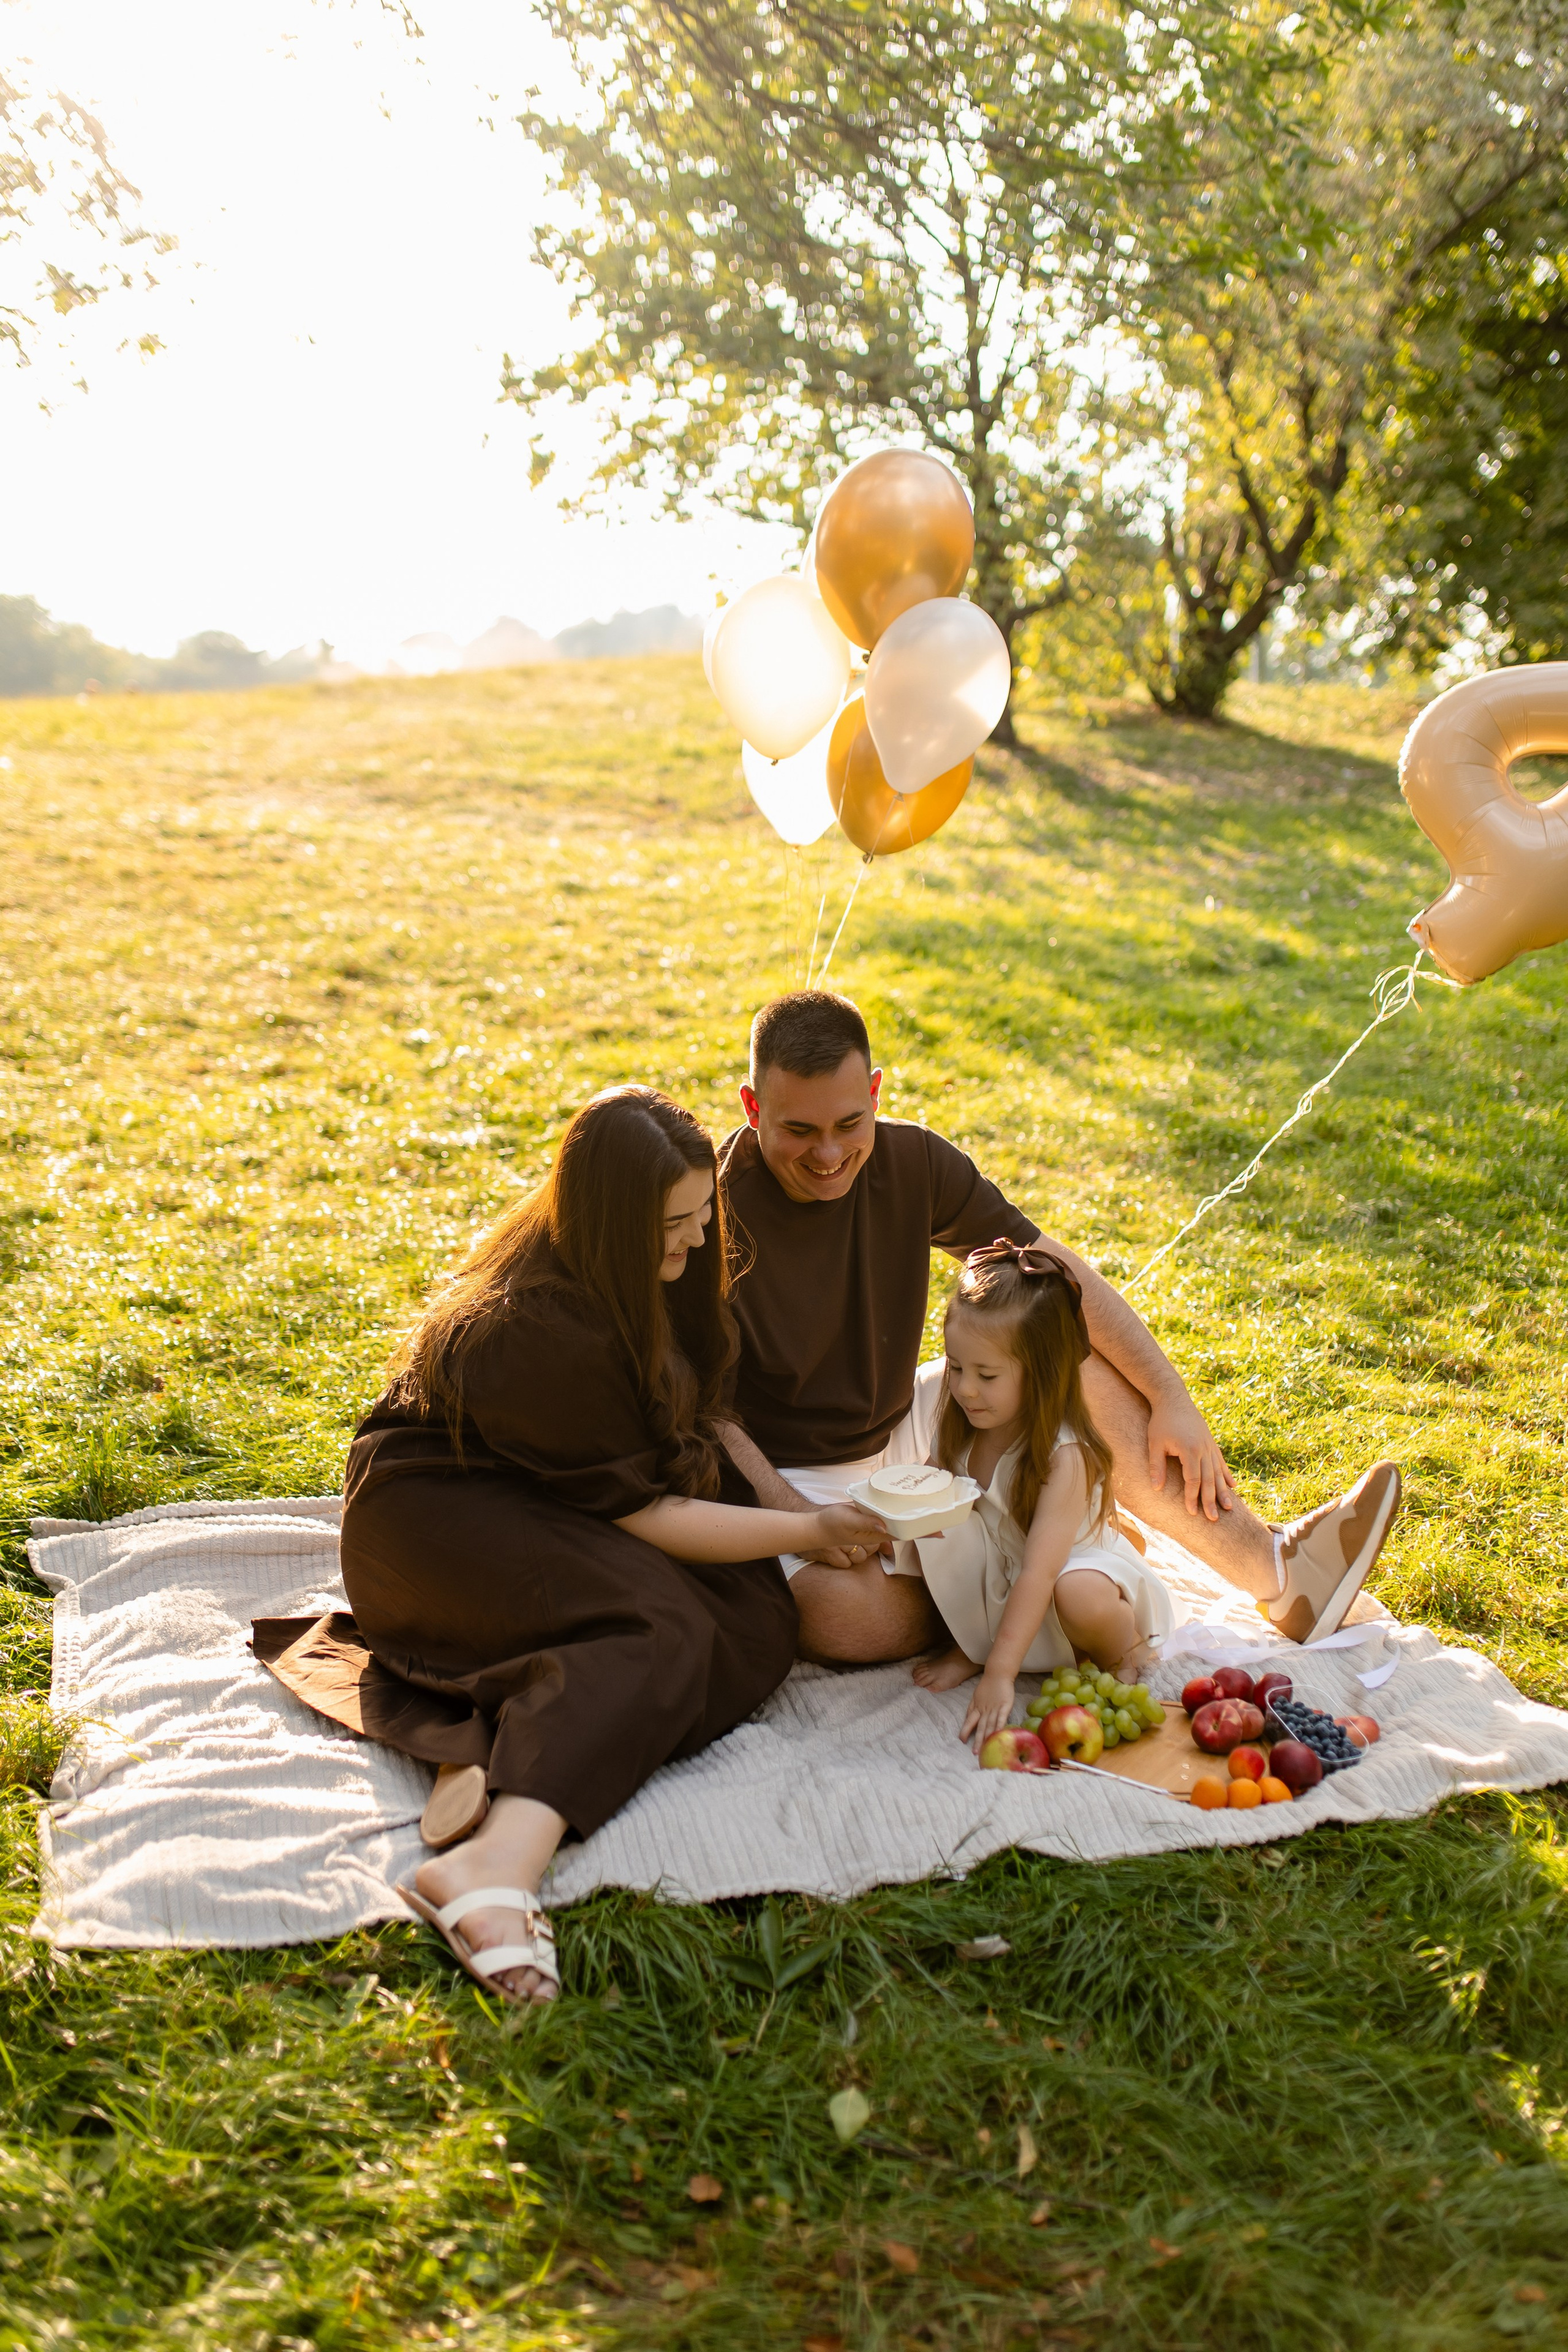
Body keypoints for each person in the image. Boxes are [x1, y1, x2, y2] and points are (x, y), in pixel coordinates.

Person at [254, 1087, 883, 2007]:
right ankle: (490, 1868)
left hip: (549, 1488)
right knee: (659, 1628)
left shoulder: (651, 1270)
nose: (697, 1238)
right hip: (431, 1524)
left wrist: (790, 1518)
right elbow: (652, 1516)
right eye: (673, 1224)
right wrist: (812, 1529)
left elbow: (688, 1430)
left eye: (702, 1213)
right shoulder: (542, 1327)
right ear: (612, 1223)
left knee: (750, 1620)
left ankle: (498, 1729)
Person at [714, 991, 1401, 1666]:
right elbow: (701, 1409)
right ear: (752, 1107)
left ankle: (1279, 1574)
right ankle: (1060, 1566)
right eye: (799, 1131)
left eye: (849, 1123)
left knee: (1057, 1350)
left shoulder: (914, 1160)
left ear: (875, 1092)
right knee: (840, 1618)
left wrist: (1169, 1394)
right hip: (786, 1471)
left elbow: (1060, 1279)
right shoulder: (710, 1213)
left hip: (905, 1430)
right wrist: (800, 1518)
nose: (829, 1153)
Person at [903, 1240, 1176, 1752]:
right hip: (1005, 1563)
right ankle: (976, 1645)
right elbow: (932, 1485)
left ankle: (1122, 1648)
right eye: (956, 1367)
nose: (965, 1389)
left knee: (1078, 1595)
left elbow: (1039, 1572)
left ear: (1043, 1374)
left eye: (987, 1375)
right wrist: (890, 1521)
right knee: (936, 1531)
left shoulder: (1063, 1455)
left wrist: (1001, 1674)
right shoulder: (965, 1419)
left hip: (1064, 1568)